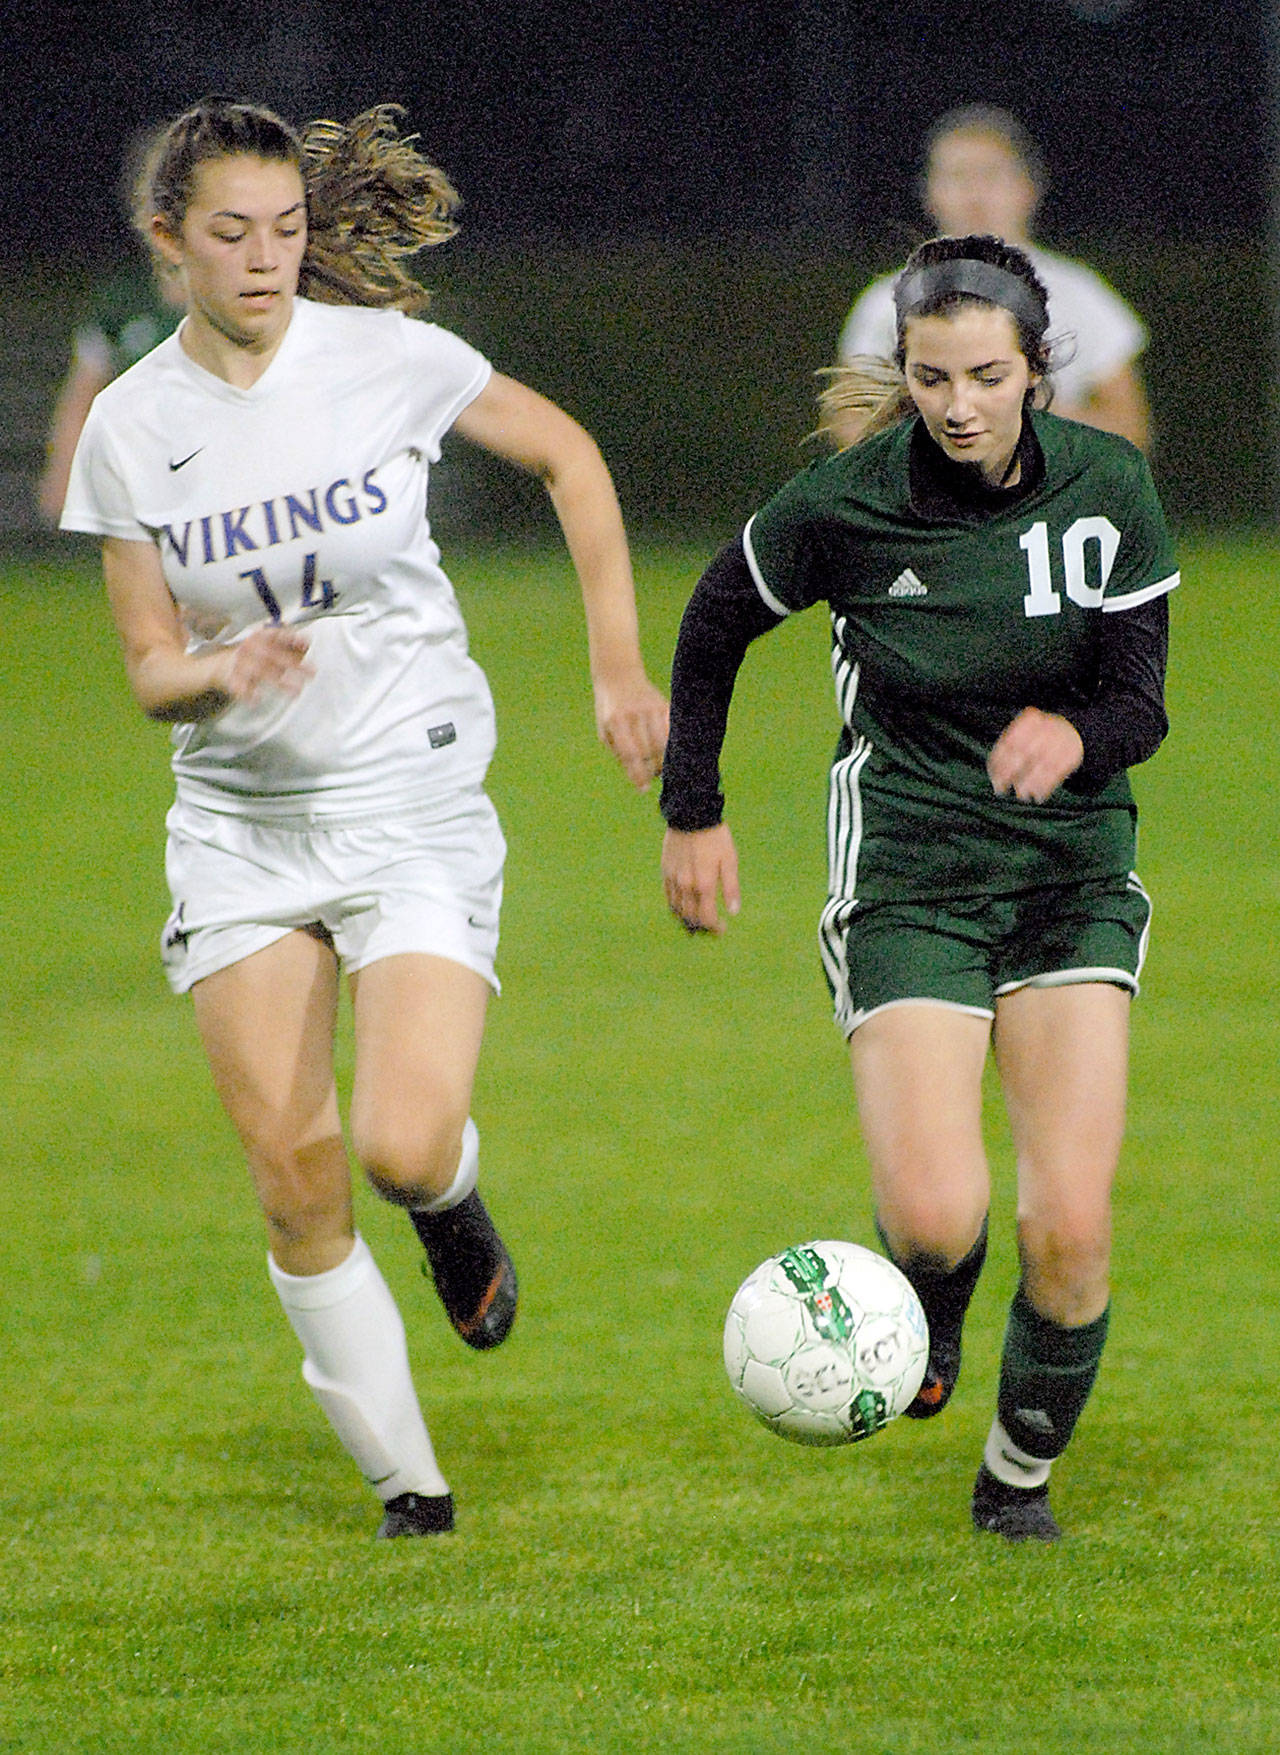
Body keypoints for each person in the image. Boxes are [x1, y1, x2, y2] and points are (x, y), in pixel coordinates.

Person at [60, 97, 669, 1538]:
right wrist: (216, 673)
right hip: (242, 831)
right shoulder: (132, 427)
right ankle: (414, 1494)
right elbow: (148, 668)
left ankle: (449, 1199)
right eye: (231, 233)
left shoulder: (387, 358)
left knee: (399, 1144)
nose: (265, 258)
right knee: (296, 1183)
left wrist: (617, 666)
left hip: (408, 801)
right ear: (168, 240)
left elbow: (571, 458)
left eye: (284, 229)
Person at [661, 233, 1177, 1541]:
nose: (957, 405)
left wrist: (1076, 737)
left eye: (986, 377)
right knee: (935, 1217)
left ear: (1036, 369)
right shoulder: (846, 503)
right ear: (902, 371)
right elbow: (714, 622)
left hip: (1070, 878)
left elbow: (1139, 703)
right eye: (932, 376)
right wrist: (693, 811)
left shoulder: (1110, 486)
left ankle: (1014, 1480)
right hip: (908, 881)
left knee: (1069, 1226)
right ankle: (931, 1311)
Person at [837, 105, 1151, 450]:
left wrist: (1027, 420)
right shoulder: (886, 301)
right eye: (958, 176)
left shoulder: (1081, 294)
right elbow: (848, 425)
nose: (975, 194)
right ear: (929, 193)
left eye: (990, 175)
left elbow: (1131, 430)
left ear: (1028, 188)